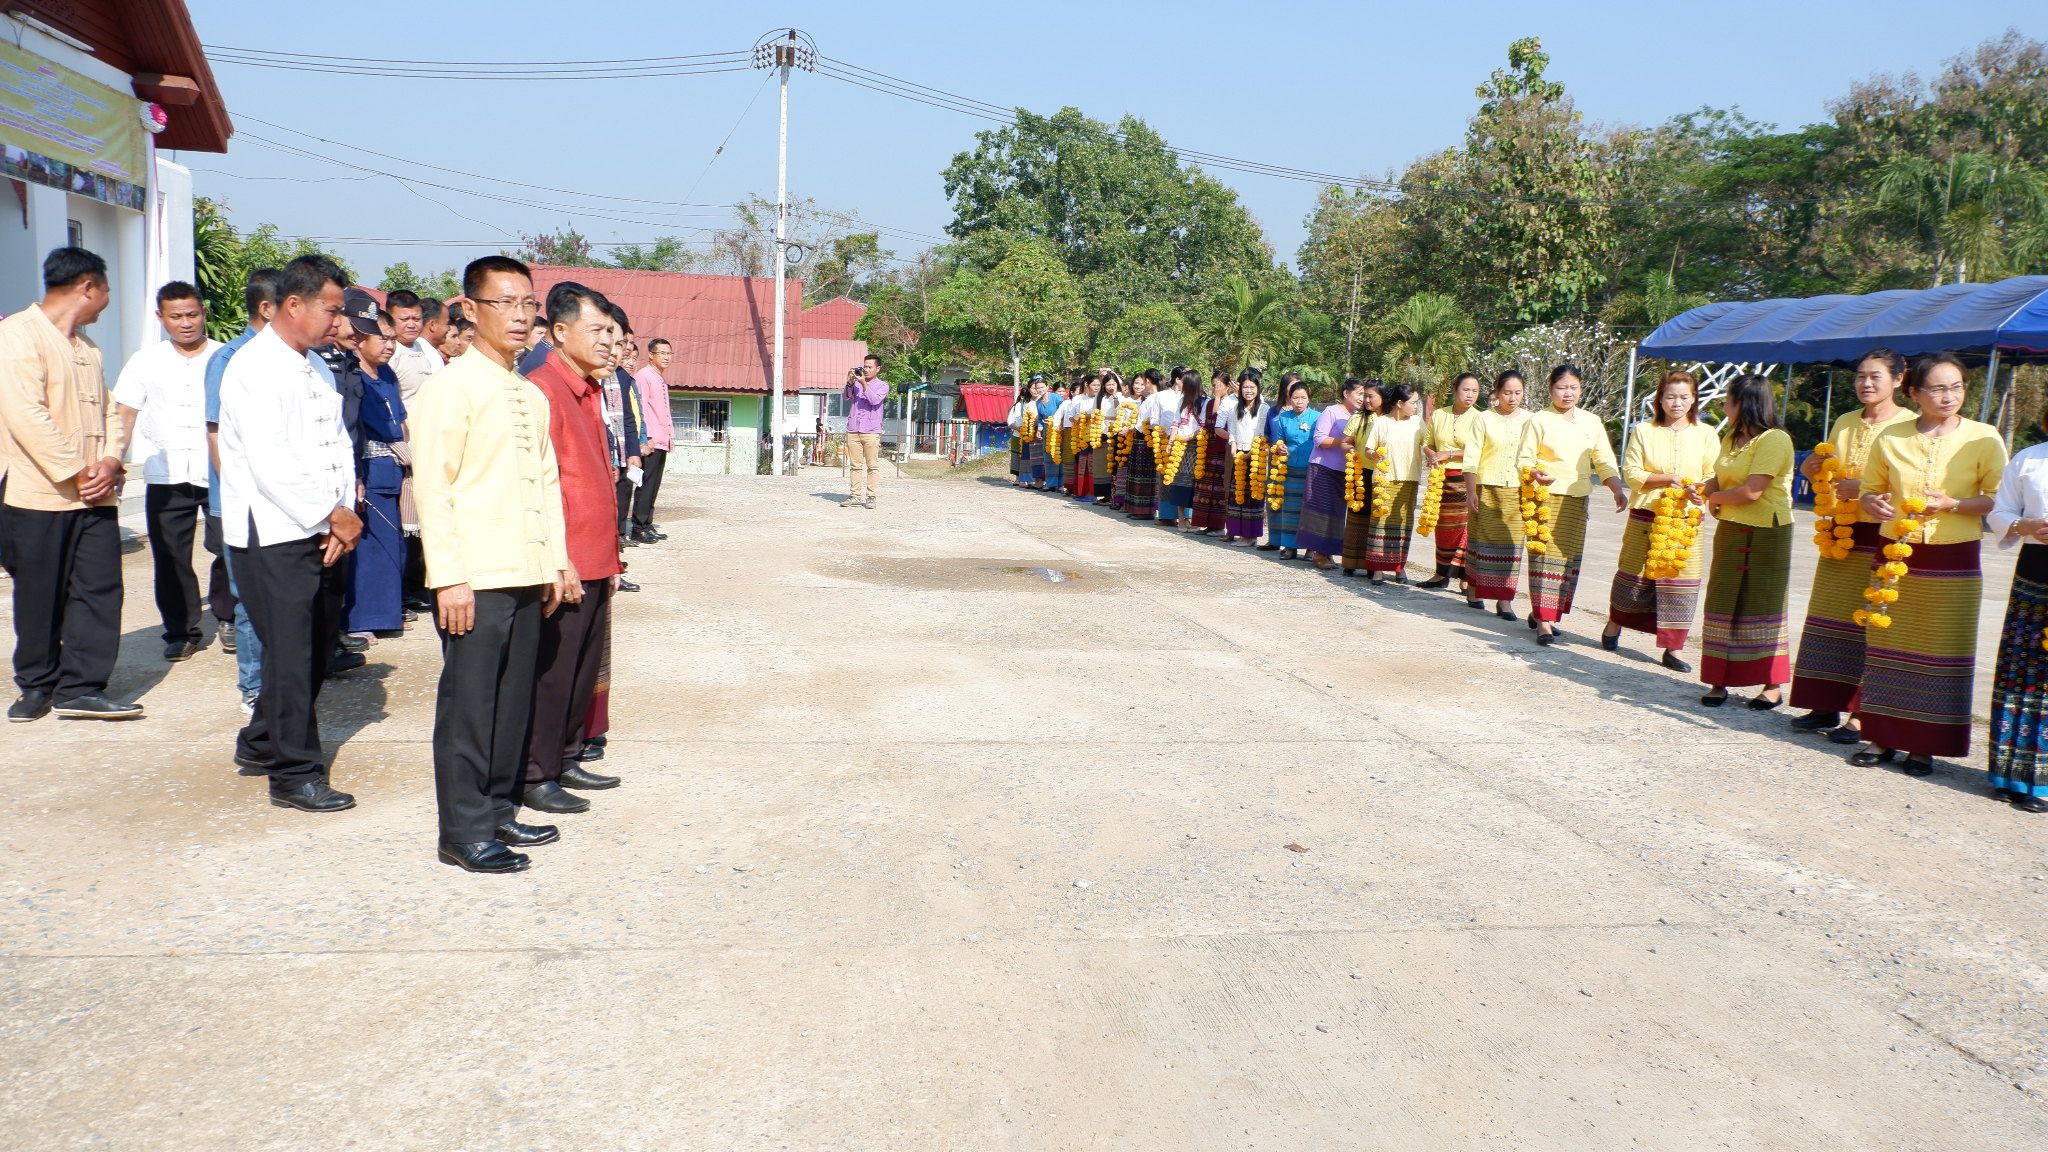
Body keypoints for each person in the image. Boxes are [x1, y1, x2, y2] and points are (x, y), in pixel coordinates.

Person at [411, 255, 575, 873]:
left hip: (525, 570)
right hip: (475, 577)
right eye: (504, 303)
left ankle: (500, 808)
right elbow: (434, 487)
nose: (519, 315)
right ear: (470, 309)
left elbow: (546, 483)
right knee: (470, 707)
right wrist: (449, 577)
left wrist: (555, 562)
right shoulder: (451, 387)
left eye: (527, 303)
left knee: (511, 701)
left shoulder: (528, 392)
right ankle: (463, 829)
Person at [216, 255, 362, 811]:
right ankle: (294, 773)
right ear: (294, 304)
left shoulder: (315, 365)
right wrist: (331, 514)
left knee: (316, 646)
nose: (338, 321)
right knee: (292, 653)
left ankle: (260, 741)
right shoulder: (253, 367)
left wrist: (341, 516)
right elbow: (270, 460)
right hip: (273, 531)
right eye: (331, 310)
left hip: (323, 526)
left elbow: (337, 446)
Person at [1851, 352, 2006, 777]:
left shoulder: (1984, 437)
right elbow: (1870, 489)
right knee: (1886, 645)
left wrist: (1953, 503)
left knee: (1942, 650)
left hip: (1953, 554)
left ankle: (1925, 745)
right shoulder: (1892, 437)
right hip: (1894, 550)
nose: (1949, 396)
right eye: (1938, 388)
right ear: (1914, 392)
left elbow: (1998, 500)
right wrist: (1873, 502)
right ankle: (1880, 736)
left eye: (1956, 387)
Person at [0, 246, 137, 721]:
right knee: (40, 593)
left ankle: (81, 687)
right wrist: (77, 472)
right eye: (106, 292)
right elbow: (25, 414)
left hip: (96, 496)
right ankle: (37, 684)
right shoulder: (17, 335)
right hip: (37, 495)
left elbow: (110, 411)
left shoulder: (88, 349)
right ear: (87, 287)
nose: (107, 302)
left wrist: (110, 461)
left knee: (99, 590)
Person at [521, 282, 628, 818]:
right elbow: (539, 487)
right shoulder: (542, 390)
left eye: (611, 332)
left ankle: (566, 756)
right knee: (554, 672)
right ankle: (536, 773)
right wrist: (554, 559)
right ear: (560, 332)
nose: (608, 341)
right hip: (565, 561)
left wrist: (612, 557)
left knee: (582, 670)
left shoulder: (589, 389)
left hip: (595, 556)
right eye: (597, 331)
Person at [1787, 349, 1917, 744]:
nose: (1866, 383)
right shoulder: (1845, 421)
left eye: (1875, 376)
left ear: (1899, 379)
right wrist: (1809, 466)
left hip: (1883, 537)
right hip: (1840, 536)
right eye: (1861, 376)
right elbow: (1827, 468)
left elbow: (1911, 484)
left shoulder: (1910, 426)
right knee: (1829, 620)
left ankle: (1862, 714)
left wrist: (1862, 488)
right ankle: (1824, 704)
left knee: (1870, 623)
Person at [112, 281, 225, 661]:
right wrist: (115, 460)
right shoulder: (145, 361)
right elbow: (124, 413)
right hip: (167, 474)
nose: (186, 323)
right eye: (176, 316)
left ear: (203, 313)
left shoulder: (224, 357)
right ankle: (181, 630)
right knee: (170, 556)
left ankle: (228, 617)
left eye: (192, 314)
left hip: (219, 472)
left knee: (229, 547)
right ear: (161, 318)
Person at [205, 269, 284, 715]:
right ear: (268, 308)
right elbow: (215, 433)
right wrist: (242, 492)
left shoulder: (289, 357)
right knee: (250, 599)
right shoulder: (231, 358)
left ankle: (279, 681)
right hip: (240, 502)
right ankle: (254, 688)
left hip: (278, 501)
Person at [1602, 369, 1718, 670]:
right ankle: (1615, 621)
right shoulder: (1644, 431)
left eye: (1684, 397)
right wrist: (1668, 479)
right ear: (1660, 399)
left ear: (1694, 399)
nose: (1677, 403)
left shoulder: (1706, 434)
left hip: (1686, 518)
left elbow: (1712, 474)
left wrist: (1699, 491)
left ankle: (1674, 648)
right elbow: (1631, 473)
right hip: (1647, 514)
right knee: (1634, 574)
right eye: (1670, 397)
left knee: (1681, 581)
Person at [1696, 373, 1796, 708]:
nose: (1725, 407)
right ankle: (1718, 680)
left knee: (1763, 605)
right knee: (1722, 600)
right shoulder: (1731, 437)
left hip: (1768, 532)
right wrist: (1706, 488)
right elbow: (1720, 476)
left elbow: (1752, 491)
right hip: (1732, 527)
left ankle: (1772, 684)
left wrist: (1714, 498)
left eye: (1728, 401)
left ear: (1745, 404)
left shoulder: (1775, 440)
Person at [1516, 365, 1625, 645]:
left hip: (1576, 499)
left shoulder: (1591, 421)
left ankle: (1544, 612)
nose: (1568, 393)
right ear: (1550, 389)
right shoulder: (1539, 420)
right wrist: (1533, 473)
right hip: (1544, 498)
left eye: (1573, 387)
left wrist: (1616, 489)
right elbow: (1524, 458)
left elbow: (1604, 460)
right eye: (1561, 388)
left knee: (1567, 561)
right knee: (1544, 558)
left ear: (1581, 389)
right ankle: (1544, 622)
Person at [1985, 413, 2048, 813]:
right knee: (2020, 669)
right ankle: (2010, 774)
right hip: (2035, 569)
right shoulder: (2029, 458)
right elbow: (1999, 512)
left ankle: (2042, 784)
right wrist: (2025, 525)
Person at [344, 309, 407, 639]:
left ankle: (388, 613)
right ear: (360, 339)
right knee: (369, 548)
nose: (389, 346)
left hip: (393, 468)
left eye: (393, 339)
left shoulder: (388, 375)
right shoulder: (352, 376)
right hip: (367, 469)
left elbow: (401, 421)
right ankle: (363, 619)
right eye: (382, 338)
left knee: (392, 545)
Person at [1461, 371, 1533, 618]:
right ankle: (1474, 589)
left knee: (1512, 547)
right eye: (1507, 393)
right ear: (1497, 393)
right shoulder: (1483, 419)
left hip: (1518, 491)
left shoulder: (1531, 420)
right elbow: (1471, 458)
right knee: (1480, 543)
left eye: (1517, 393)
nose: (1512, 398)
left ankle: (1505, 601)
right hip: (1485, 489)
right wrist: (1471, 491)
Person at [1420, 372, 1482, 590]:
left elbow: (1479, 449)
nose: (1470, 395)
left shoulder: (1480, 418)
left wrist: (1449, 453)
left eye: (1475, 391)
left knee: (1465, 528)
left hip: (1467, 479)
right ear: (1455, 391)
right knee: (1443, 527)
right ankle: (1441, 574)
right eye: (1466, 390)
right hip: (1441, 479)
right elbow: (1427, 443)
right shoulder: (1439, 415)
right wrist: (1432, 454)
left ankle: (1466, 578)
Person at [1358, 382, 1426, 585]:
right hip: (1384, 480)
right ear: (1399, 403)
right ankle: (1378, 569)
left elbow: (1427, 445)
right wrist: (1374, 454)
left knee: (1403, 525)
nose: (1415, 407)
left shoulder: (1417, 423)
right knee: (1380, 523)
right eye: (1413, 402)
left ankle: (1399, 567)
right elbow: (1369, 449)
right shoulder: (1381, 422)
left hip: (1409, 481)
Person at [1300, 378, 1365, 568]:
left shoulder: (1358, 416)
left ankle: (1327, 552)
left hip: (1345, 471)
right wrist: (1343, 441)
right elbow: (1319, 439)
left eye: (1364, 395)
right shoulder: (1331, 411)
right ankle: (1318, 553)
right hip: (1323, 468)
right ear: (1346, 393)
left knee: (1336, 514)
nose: (1362, 398)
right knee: (1321, 512)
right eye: (1359, 393)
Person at [1264, 377, 1318, 558]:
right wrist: (1280, 446)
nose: (1299, 402)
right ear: (1289, 398)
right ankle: (1289, 546)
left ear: (1308, 398)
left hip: (1311, 469)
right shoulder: (1284, 417)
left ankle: (1310, 548)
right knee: (1290, 510)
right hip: (1289, 469)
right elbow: (1278, 440)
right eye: (1295, 398)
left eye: (1303, 398)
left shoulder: (1317, 417)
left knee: (1308, 509)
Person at [629, 336, 674, 542]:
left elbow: (664, 411)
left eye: (669, 353)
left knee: (654, 484)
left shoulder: (660, 378)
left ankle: (647, 524)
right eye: (662, 353)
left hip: (662, 439)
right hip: (651, 440)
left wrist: (670, 435)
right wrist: (646, 437)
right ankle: (638, 526)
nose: (666, 357)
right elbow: (642, 410)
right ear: (651, 355)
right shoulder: (644, 376)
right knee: (645, 484)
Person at [1219, 368, 1267, 543]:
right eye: (1245, 387)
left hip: (1255, 457)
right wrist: (1233, 446)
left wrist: (1250, 454)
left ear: (1258, 388)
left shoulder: (1264, 409)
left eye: (1252, 387)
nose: (1248, 391)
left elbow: (1262, 434)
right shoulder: (1235, 408)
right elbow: (1232, 431)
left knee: (1252, 496)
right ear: (1240, 389)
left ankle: (1249, 537)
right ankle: (1237, 532)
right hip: (1238, 456)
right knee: (1237, 495)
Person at [1155, 369, 1205, 530]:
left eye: (1184, 382)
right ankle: (1181, 518)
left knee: (1196, 484)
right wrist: (1170, 443)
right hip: (1180, 446)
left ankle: (1194, 519)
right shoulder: (1181, 400)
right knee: (1180, 483)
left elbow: (1204, 426)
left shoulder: (1205, 401)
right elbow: (1176, 423)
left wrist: (1190, 437)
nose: (1180, 384)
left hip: (1197, 446)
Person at [384, 289, 445, 402]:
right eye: (404, 319)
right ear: (389, 319)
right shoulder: (388, 352)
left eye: (416, 319)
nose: (411, 325)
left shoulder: (424, 347)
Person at [843, 353, 887, 508]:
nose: (866, 370)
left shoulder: (882, 385)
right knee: (855, 465)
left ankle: (871, 497)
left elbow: (874, 400)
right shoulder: (856, 383)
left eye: (870, 367)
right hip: (854, 429)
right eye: (864, 366)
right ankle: (855, 495)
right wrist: (850, 383)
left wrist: (863, 384)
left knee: (872, 465)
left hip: (871, 430)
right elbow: (846, 397)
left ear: (878, 368)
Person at [1190, 370, 1232, 533]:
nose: (1216, 389)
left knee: (1220, 489)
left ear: (1227, 387)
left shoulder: (1232, 403)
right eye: (1214, 385)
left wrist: (1219, 398)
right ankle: (1206, 523)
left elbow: (1217, 416)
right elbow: (1206, 423)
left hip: (1224, 449)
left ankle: (1218, 526)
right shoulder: (1209, 403)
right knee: (1206, 489)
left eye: (1219, 386)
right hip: (1208, 449)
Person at [1124, 370, 1168, 518]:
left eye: (1143, 382)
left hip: (1145, 438)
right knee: (1142, 475)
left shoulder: (1154, 398)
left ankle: (1144, 510)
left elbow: (1145, 422)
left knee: (1144, 475)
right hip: (1144, 437)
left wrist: (1128, 429)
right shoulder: (1154, 397)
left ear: (1148, 382)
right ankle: (1140, 509)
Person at [1007, 376, 1046, 489]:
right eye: (1033, 388)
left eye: (1037, 388)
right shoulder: (1024, 403)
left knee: (1038, 457)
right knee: (1026, 456)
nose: (1036, 390)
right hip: (1027, 433)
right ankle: (1025, 479)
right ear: (1029, 389)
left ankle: (1038, 480)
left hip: (1040, 433)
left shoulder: (1042, 402)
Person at [1090, 370, 1122, 504]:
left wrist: (1115, 397)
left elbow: (1122, 411)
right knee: (1101, 464)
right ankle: (1104, 495)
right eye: (1108, 384)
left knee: (1114, 464)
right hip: (1101, 433)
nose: (1111, 387)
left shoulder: (1121, 396)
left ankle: (1115, 495)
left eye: (1113, 384)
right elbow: (1093, 412)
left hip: (1116, 433)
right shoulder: (1099, 397)